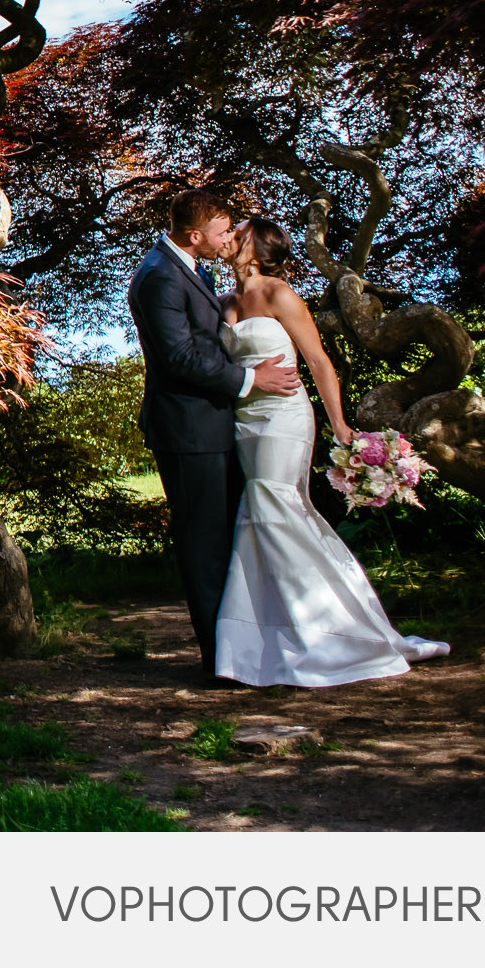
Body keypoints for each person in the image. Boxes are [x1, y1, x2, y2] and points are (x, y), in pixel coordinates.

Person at [213, 216, 449, 685]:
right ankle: (262, 642)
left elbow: (318, 360)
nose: (230, 238)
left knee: (273, 510)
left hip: (285, 419)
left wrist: (339, 424)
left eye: (238, 233)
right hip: (245, 421)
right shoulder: (222, 300)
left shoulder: (280, 294)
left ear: (258, 247)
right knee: (264, 520)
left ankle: (334, 634)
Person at [129, 189, 300, 683]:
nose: (229, 240)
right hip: (188, 430)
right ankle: (220, 663)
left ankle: (240, 650)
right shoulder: (159, 276)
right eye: (223, 232)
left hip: (213, 425)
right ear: (195, 235)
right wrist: (252, 380)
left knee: (226, 539)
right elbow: (180, 357)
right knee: (204, 546)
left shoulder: (187, 267)